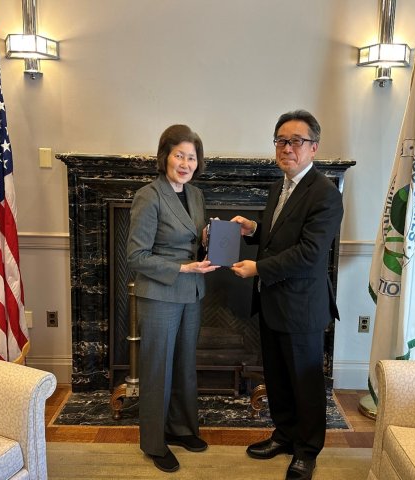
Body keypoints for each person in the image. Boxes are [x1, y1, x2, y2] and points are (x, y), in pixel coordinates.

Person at [231, 110, 343, 480]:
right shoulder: (280, 186)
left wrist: (258, 268)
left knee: (305, 383)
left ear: (313, 147)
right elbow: (282, 236)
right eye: (281, 140)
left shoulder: (325, 194)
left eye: (296, 141)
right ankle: (284, 435)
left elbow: (309, 253)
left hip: (302, 307)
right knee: (278, 378)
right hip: (273, 302)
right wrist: (254, 230)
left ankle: (307, 451)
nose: (287, 148)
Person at [127, 124, 219, 473]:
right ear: (164, 156)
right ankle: (153, 442)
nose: (185, 162)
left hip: (192, 292)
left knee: (183, 366)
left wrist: (208, 238)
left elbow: (192, 241)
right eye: (179, 155)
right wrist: (183, 269)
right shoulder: (149, 195)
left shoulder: (195, 195)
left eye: (191, 157)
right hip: (161, 294)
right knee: (157, 370)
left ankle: (181, 429)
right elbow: (136, 257)